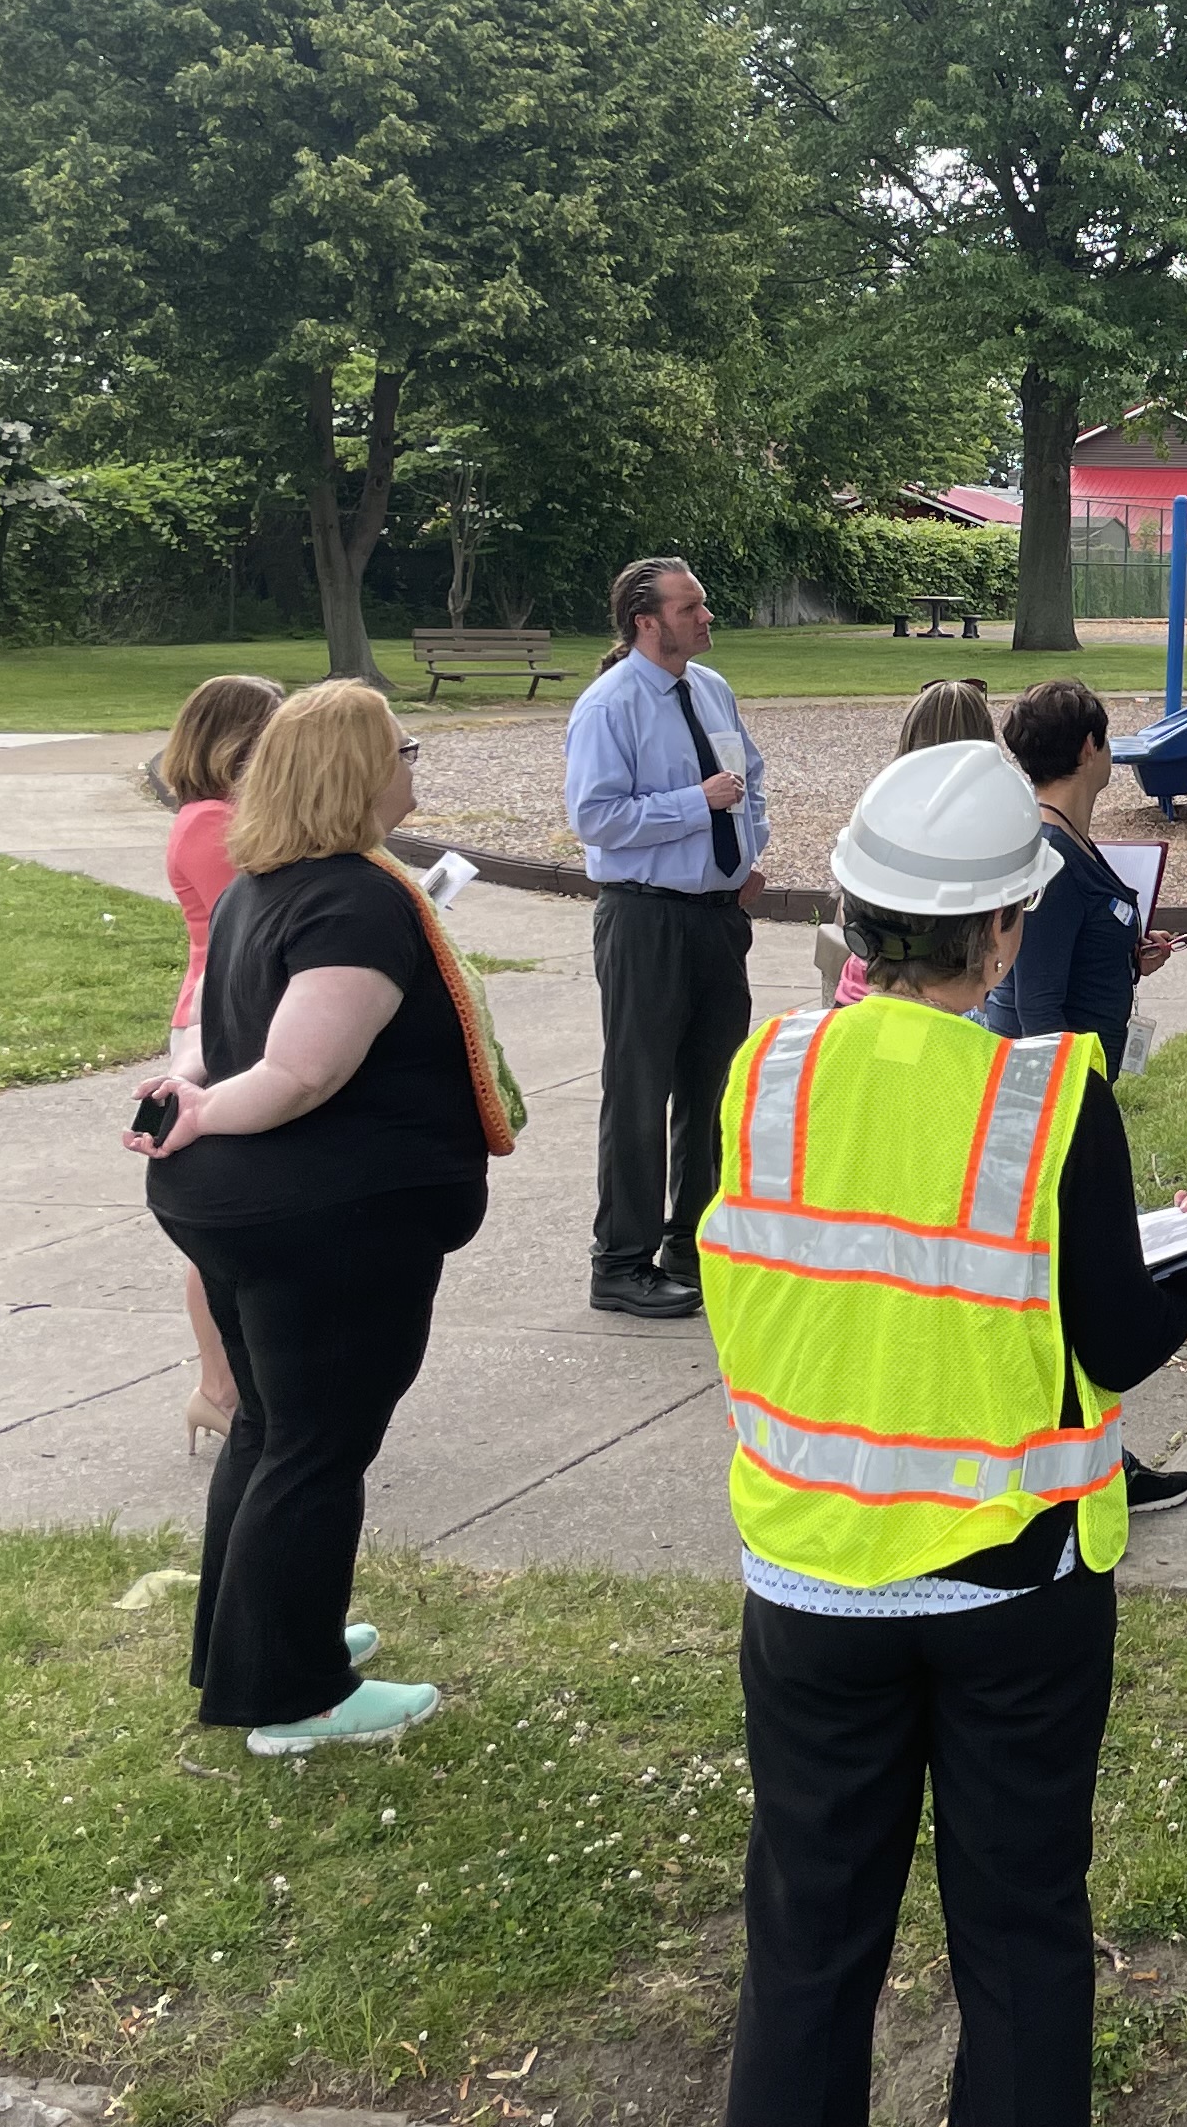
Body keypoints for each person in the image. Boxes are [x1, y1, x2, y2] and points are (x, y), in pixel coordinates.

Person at [706, 742, 1187, 2127]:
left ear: (858, 917)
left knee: (808, 1945)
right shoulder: (1049, 1099)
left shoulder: (766, 1077)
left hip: (810, 1576)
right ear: (1004, 930)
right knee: (1016, 1934)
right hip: (1015, 1582)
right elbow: (1113, 1342)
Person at [137, 681, 515, 1752]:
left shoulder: (269, 884)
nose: (413, 763)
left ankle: (254, 1643)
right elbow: (302, 1070)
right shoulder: (352, 900)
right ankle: (296, 1697)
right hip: (329, 1224)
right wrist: (203, 1109)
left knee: (270, 1429)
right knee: (316, 1443)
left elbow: (211, 1033)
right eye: (403, 747)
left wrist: (186, 1100)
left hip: (266, 1214)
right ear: (357, 770)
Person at [990, 675, 1187, 1517]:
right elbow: (1034, 1003)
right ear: (1088, 749)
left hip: (1076, 1091)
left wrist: (1124, 960)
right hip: (1057, 1107)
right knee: (1069, 1287)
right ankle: (1082, 1461)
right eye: (1108, 742)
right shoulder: (1047, 856)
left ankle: (1092, 1451)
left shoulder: (1069, 846)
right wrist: (1064, 1113)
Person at [566, 556, 767, 1321]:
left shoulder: (711, 690)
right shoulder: (609, 706)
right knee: (641, 1090)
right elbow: (597, 818)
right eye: (690, 608)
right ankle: (619, 1262)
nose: (705, 617)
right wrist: (696, 805)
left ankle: (693, 1245)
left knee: (713, 1091)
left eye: (703, 604)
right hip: (645, 918)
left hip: (717, 917)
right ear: (646, 622)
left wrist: (749, 856)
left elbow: (749, 776)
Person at [157, 670, 282, 1456]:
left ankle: (239, 1380)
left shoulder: (226, 816)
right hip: (219, 1022)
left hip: (243, 1011)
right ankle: (218, 1385)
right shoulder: (211, 823)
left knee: (248, 1215)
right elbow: (261, 916)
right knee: (222, 1224)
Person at [823, 679, 997, 1009]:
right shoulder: (985, 823)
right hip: (945, 1001)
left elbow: (846, 913)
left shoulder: (881, 808)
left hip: (862, 993)